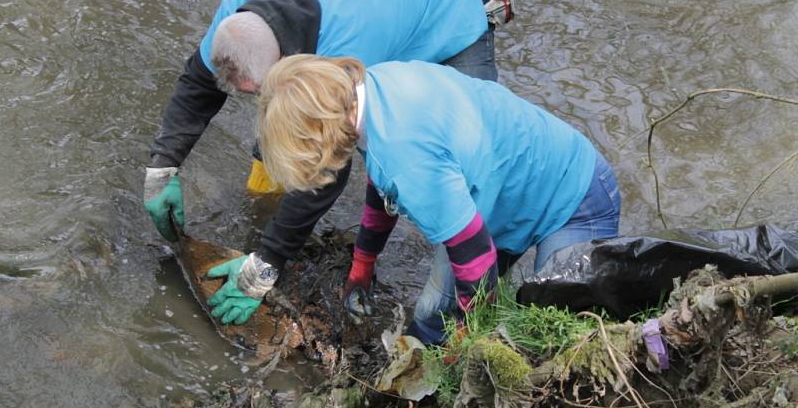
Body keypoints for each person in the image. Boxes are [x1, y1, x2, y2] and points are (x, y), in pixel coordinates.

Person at [142, 0, 515, 325]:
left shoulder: (347, 49)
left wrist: (266, 264)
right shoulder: (237, 14)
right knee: (287, 127)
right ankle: (264, 208)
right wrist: (163, 166)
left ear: (291, 65)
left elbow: (328, 167)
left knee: (473, 167)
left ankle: (469, 310)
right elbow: (200, 81)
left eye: (262, 93)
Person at [254, 55, 622, 344]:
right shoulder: (371, 88)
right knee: (433, 314)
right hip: (502, 187)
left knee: (550, 326)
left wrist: (467, 335)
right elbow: (383, 189)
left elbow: (475, 258)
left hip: (575, 196)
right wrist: (363, 261)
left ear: (320, 131)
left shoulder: (407, 157)